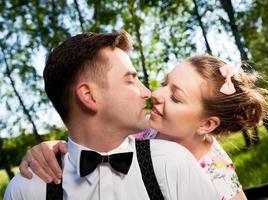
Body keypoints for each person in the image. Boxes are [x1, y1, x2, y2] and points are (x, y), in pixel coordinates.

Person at [19, 51, 268, 198]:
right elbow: (92, 137)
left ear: (206, 124)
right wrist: (56, 148)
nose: (156, 94)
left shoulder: (217, 176)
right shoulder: (144, 130)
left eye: (175, 97)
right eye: (164, 83)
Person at [4, 31, 219, 200]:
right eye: (130, 80)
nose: (148, 92)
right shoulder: (28, 190)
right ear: (89, 96)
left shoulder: (173, 164)